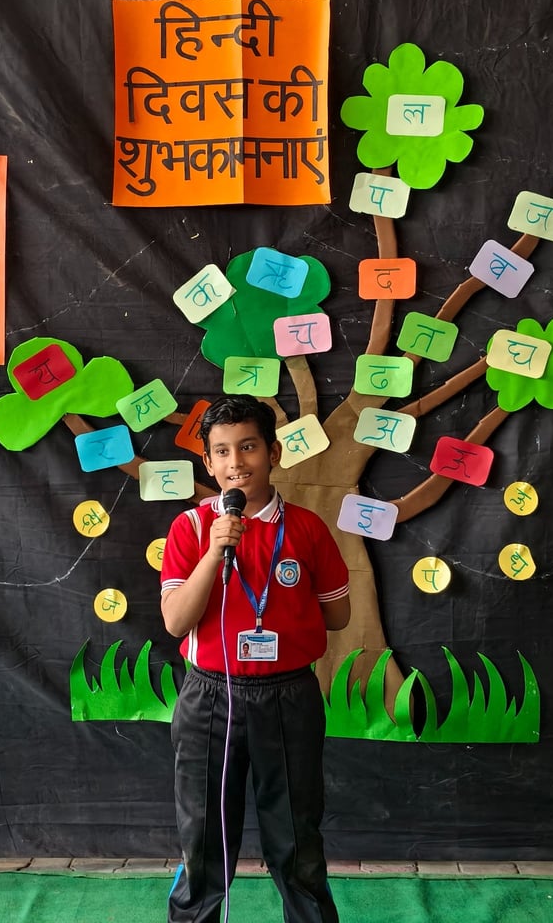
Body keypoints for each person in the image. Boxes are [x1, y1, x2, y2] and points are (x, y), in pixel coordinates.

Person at [160, 394, 350, 923]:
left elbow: (337, 615)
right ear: (208, 462)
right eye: (221, 451)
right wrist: (215, 551)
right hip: (209, 697)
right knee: (203, 835)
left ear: (274, 452)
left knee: (295, 835)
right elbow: (176, 621)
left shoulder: (307, 529)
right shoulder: (191, 528)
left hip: (288, 697)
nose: (235, 462)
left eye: (248, 447)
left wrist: (284, 604)